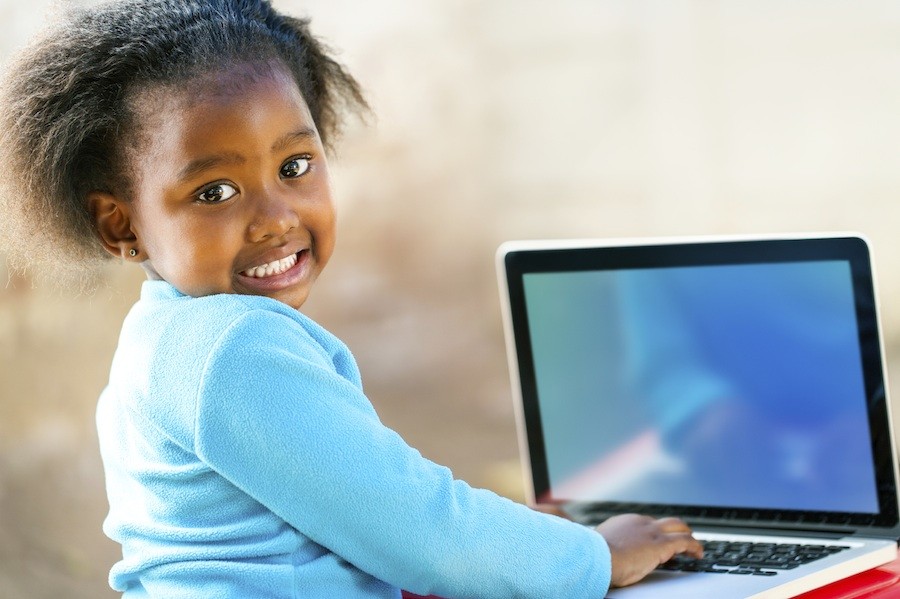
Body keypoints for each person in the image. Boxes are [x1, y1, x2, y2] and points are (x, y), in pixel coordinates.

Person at [0, 1, 701, 597]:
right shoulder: (232, 347)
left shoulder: (158, 339)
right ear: (120, 224)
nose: (275, 215)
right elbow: (423, 529)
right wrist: (594, 555)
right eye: (215, 191)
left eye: (295, 166)